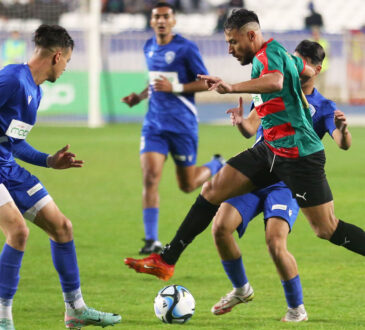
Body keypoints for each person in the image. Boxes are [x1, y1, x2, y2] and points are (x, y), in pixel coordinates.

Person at [124, 8, 365, 309]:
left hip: (300, 156)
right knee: (211, 190)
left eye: (233, 42)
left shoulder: (267, 57)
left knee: (326, 229)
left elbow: (276, 81)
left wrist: (230, 86)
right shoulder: (277, 54)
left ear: (251, 35)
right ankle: (166, 259)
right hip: (268, 150)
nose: (230, 49)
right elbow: (294, 71)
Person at [210, 40, 352, 322]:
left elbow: (342, 143)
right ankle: (241, 289)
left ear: (316, 69)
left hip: (287, 183)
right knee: (220, 228)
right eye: (293, 60)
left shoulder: (323, 106)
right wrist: (240, 122)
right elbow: (251, 128)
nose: (294, 68)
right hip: (256, 176)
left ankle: (296, 309)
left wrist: (343, 130)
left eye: (302, 64)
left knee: (275, 243)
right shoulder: (271, 86)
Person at [0, 25, 121, 330]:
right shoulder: (13, 79)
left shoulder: (34, 90)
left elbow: (15, 142)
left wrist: (49, 161)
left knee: (62, 227)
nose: (67, 68)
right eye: (67, 61)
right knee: (18, 231)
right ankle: (3, 318)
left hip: (7, 166)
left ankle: (75, 309)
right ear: (57, 56)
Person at [121, 2, 225, 255]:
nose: (161, 21)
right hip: (154, 124)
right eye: (157, 17)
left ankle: (216, 165)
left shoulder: (186, 48)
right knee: (150, 177)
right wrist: (140, 96)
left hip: (182, 126)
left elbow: (206, 83)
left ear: (174, 21)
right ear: (151, 21)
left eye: (166, 16)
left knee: (187, 185)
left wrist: (176, 88)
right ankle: (151, 240)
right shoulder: (149, 46)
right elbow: (155, 81)